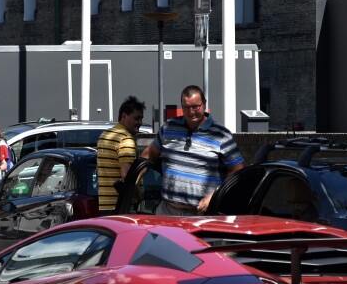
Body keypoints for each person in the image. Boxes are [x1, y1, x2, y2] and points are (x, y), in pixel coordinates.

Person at [140, 85, 244, 215]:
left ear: (204, 104)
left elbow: (237, 171)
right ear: (182, 107)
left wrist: (214, 195)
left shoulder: (221, 134)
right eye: (187, 107)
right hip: (167, 211)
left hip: (202, 214)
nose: (191, 111)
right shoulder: (169, 127)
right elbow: (149, 154)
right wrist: (134, 179)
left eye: (196, 106)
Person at [96, 95, 145, 213]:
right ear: (124, 116)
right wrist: (137, 196)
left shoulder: (104, 136)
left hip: (104, 205)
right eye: (136, 118)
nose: (139, 122)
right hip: (121, 206)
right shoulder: (125, 139)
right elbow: (126, 175)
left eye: (141, 119)